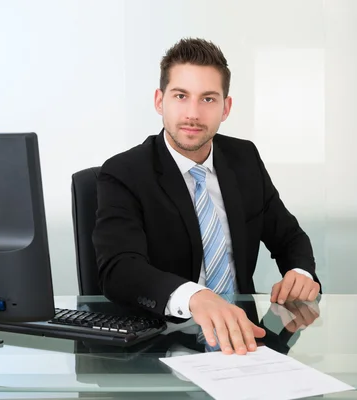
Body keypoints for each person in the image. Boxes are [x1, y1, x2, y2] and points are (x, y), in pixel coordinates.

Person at [92, 37, 321, 355]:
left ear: (226, 107)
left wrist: (300, 272)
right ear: (160, 101)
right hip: (160, 348)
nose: (193, 113)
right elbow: (118, 269)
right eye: (181, 96)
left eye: (208, 99)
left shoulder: (244, 158)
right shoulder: (124, 172)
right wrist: (194, 297)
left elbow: (289, 237)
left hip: (246, 341)